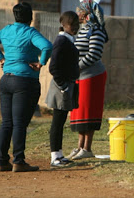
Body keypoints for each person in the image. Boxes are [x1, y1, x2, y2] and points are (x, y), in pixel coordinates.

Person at [0, 2, 53, 173]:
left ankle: (1, 161)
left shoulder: (6, 30)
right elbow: (47, 46)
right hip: (24, 81)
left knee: (7, 122)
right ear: (30, 18)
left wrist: (1, 59)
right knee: (20, 123)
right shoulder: (30, 32)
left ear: (15, 16)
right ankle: (19, 161)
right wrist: (41, 63)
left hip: (6, 80)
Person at [67, 0, 109, 160]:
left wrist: (77, 67)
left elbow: (94, 54)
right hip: (80, 76)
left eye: (81, 12)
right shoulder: (84, 30)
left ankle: (87, 147)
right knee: (79, 111)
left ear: (87, 14)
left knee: (88, 110)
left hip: (92, 76)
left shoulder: (96, 30)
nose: (78, 15)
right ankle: (79, 147)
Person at [45, 11, 80, 168]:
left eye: (76, 24)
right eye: (71, 24)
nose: (75, 27)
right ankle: (54, 157)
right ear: (64, 25)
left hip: (66, 85)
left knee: (61, 121)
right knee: (57, 122)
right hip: (61, 87)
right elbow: (53, 67)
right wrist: (63, 86)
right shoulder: (62, 41)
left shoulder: (68, 40)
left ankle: (59, 154)